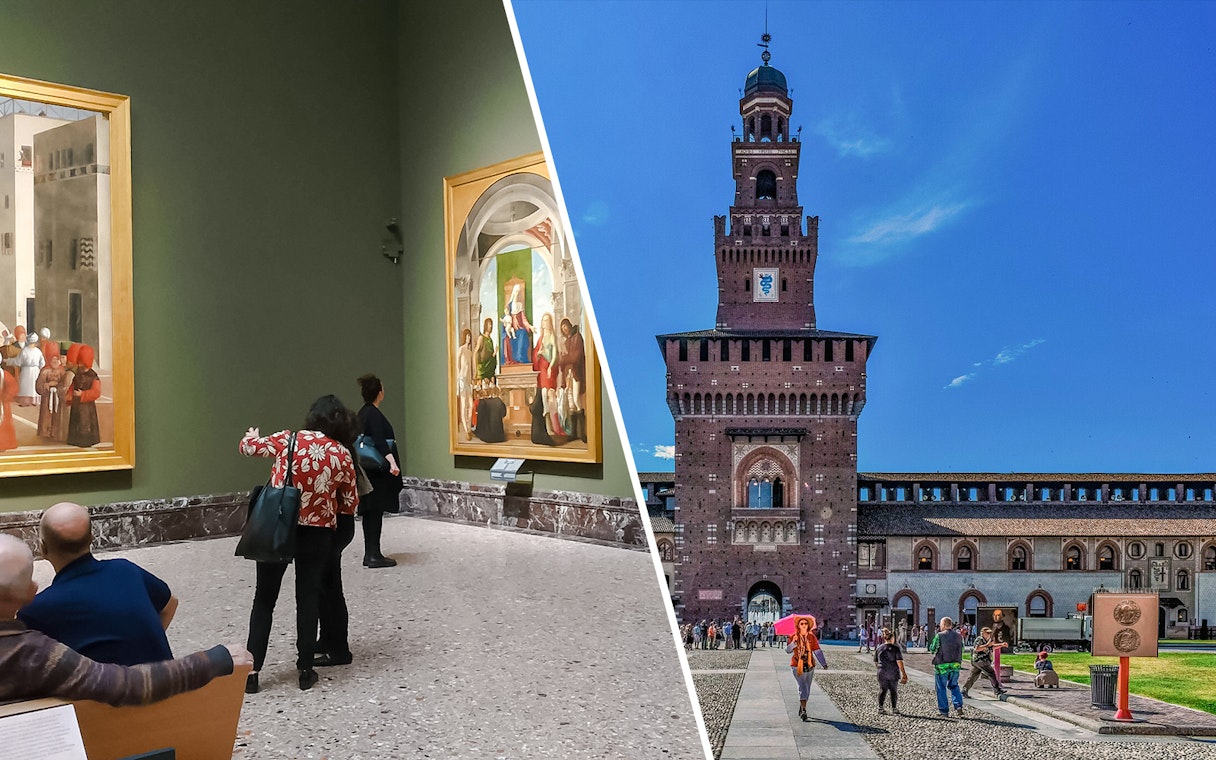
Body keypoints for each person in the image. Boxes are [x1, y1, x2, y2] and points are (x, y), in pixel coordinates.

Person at [0, 533, 252, 705]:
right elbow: (127, 684)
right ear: (30, 592)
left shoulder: (34, 630)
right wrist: (214, 659)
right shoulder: (34, 654)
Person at [240, 395, 359, 693]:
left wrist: (251, 437)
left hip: (279, 526)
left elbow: (247, 448)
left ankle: (252, 673)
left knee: (264, 599)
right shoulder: (341, 453)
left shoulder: (287, 440)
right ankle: (305, 669)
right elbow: (348, 503)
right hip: (318, 532)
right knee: (307, 598)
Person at [18, 502, 178, 665]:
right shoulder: (126, 570)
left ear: (42, 548)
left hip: (108, 689)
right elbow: (170, 604)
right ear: (92, 538)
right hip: (171, 682)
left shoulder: (36, 610)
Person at [314, 405, 365, 668]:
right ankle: (328, 639)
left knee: (330, 588)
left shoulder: (335, 453)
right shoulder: (345, 449)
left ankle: (339, 649)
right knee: (328, 585)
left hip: (333, 524)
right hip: (340, 525)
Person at [356, 374, 403, 567]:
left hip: (367, 471)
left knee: (370, 511)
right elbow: (379, 441)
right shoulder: (373, 414)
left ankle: (371, 552)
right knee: (374, 511)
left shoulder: (362, 413)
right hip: (376, 471)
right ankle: (373, 553)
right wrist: (392, 462)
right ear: (379, 393)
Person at [786, 615, 828, 721]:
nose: (803, 625)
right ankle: (804, 709)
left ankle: (802, 705)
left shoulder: (811, 637)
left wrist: (823, 663)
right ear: (798, 625)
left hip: (810, 666)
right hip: (796, 665)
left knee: (807, 688)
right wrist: (793, 644)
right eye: (801, 624)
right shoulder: (793, 636)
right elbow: (787, 650)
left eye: (805, 624)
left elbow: (817, 650)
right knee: (801, 687)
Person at [65, 344, 102, 448]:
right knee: (76, 421)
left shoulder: (93, 377)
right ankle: (74, 440)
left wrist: (83, 395)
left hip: (87, 406)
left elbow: (96, 392)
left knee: (85, 423)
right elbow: (73, 385)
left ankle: (85, 441)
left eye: (82, 362)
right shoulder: (78, 373)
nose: (80, 365)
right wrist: (69, 395)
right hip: (76, 404)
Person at [928, 616, 965, 717]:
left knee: (941, 688)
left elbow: (932, 648)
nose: (940, 627)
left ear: (944, 625)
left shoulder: (939, 635)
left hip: (942, 665)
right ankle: (958, 706)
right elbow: (963, 649)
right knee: (954, 685)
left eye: (940, 625)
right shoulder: (959, 636)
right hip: (955, 665)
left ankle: (944, 711)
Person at [962, 626, 1008, 698]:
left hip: (979, 661)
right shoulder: (979, 639)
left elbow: (991, 647)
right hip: (980, 660)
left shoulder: (987, 640)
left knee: (973, 677)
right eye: (987, 633)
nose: (989, 634)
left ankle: (964, 690)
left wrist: (1001, 645)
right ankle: (997, 690)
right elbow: (977, 648)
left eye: (990, 633)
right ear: (982, 633)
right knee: (991, 673)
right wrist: (987, 645)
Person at [874, 628, 908, 715]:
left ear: (883, 638)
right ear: (892, 638)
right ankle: (894, 708)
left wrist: (880, 668)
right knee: (893, 690)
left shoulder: (879, 648)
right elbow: (899, 662)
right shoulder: (896, 649)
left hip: (882, 672)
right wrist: (904, 674)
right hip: (893, 672)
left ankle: (880, 708)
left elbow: (876, 662)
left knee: (883, 690)